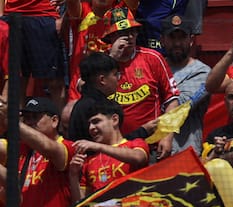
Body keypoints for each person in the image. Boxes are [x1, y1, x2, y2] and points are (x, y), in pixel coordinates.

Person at [103, 7, 180, 159]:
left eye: (133, 32)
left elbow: (172, 100)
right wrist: (110, 60)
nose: (129, 37)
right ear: (111, 37)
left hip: (151, 145)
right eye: (123, 34)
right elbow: (88, 100)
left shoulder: (153, 58)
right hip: (112, 149)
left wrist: (167, 135)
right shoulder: (99, 64)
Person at [0, 97, 80, 207]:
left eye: (35, 117)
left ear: (54, 121)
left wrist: (12, 121)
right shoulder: (19, 148)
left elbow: (47, 147)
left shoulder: (68, 146)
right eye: (26, 118)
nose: (30, 122)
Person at [68, 100, 150, 197]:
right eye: (89, 124)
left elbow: (138, 157)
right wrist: (73, 175)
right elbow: (81, 202)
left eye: (96, 121)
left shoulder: (135, 144)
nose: (91, 128)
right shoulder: (88, 162)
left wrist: (98, 146)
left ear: (114, 120)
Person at [161, 15, 211, 156]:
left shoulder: (202, 72)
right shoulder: (154, 66)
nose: (177, 43)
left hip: (185, 152)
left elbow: (181, 105)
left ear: (191, 40)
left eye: (182, 38)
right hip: (152, 151)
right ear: (162, 40)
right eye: (172, 38)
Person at [0, 0, 65, 106]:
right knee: (16, 79)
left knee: (54, 82)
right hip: (11, 15)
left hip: (44, 15)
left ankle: (59, 121)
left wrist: (64, 18)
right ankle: (17, 121)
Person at [67, 52, 120, 142]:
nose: (118, 79)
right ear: (102, 80)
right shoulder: (97, 108)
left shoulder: (83, 104)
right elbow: (111, 145)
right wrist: (144, 131)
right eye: (115, 74)